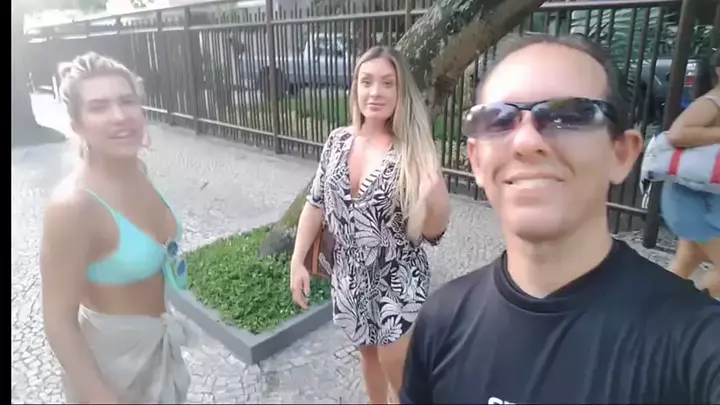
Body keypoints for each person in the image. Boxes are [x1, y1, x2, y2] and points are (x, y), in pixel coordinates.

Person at [400, 34, 720, 404]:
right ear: (476, 161)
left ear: (622, 154)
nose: (526, 142)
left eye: (568, 114)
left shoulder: (698, 343)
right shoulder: (441, 321)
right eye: (497, 119)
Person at [289, 45, 450, 404]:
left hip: (396, 279)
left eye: (387, 83)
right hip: (349, 278)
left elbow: (433, 232)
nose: (375, 92)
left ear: (400, 91)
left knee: (398, 370)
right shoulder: (337, 141)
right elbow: (315, 204)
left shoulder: (412, 153)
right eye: (367, 82)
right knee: (367, 355)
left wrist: (436, 196)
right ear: (356, 88)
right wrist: (298, 260)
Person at [40, 52, 194, 404]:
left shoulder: (138, 171)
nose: (120, 116)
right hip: (113, 367)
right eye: (99, 107)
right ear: (77, 125)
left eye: (127, 101)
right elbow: (59, 323)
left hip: (159, 345)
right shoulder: (72, 206)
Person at [662, 49, 720, 297]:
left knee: (687, 260)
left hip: (703, 197)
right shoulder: (712, 102)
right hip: (696, 201)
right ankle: (682, 310)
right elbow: (678, 134)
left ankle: (656, 310)